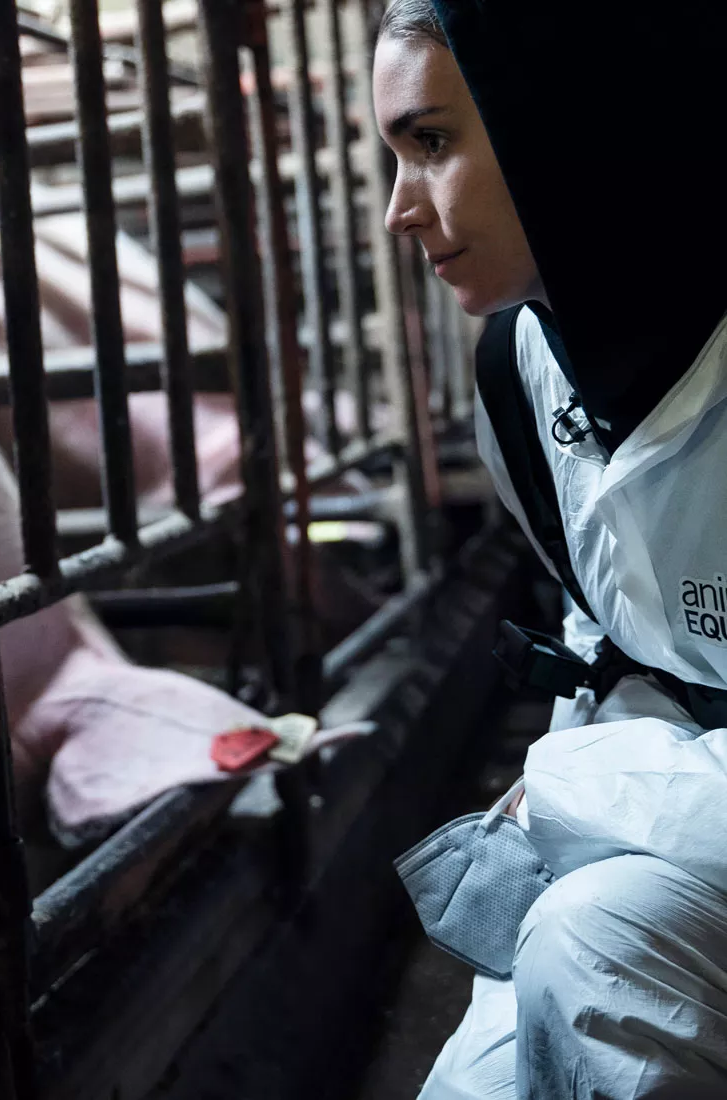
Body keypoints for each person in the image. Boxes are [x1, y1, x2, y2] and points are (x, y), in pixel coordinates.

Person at [375, 1, 727, 1096]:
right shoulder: (518, 372)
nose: (399, 210)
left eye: (432, 142)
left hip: (665, 837)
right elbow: (611, 633)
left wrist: (575, 783)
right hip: (685, 813)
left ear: (566, 114)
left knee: (592, 946)